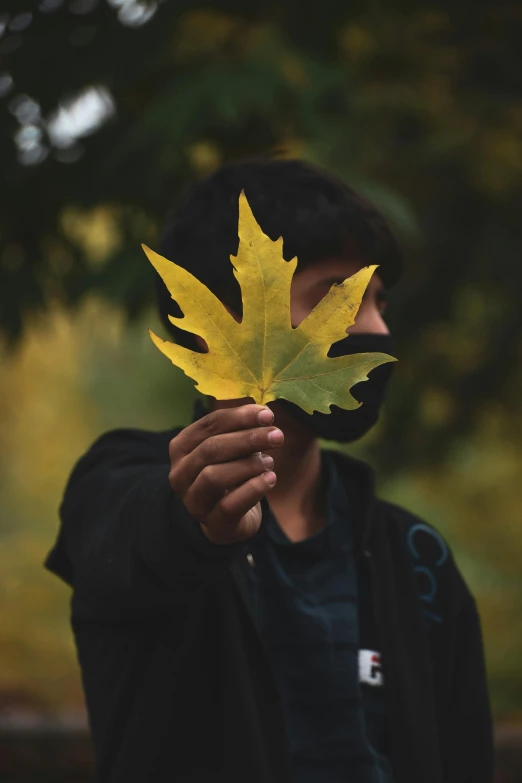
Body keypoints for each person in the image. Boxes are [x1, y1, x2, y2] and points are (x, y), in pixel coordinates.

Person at [44, 157, 493, 783]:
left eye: (380, 301)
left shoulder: (415, 558)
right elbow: (129, 542)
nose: (377, 328)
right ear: (212, 327)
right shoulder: (117, 486)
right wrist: (195, 526)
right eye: (340, 298)